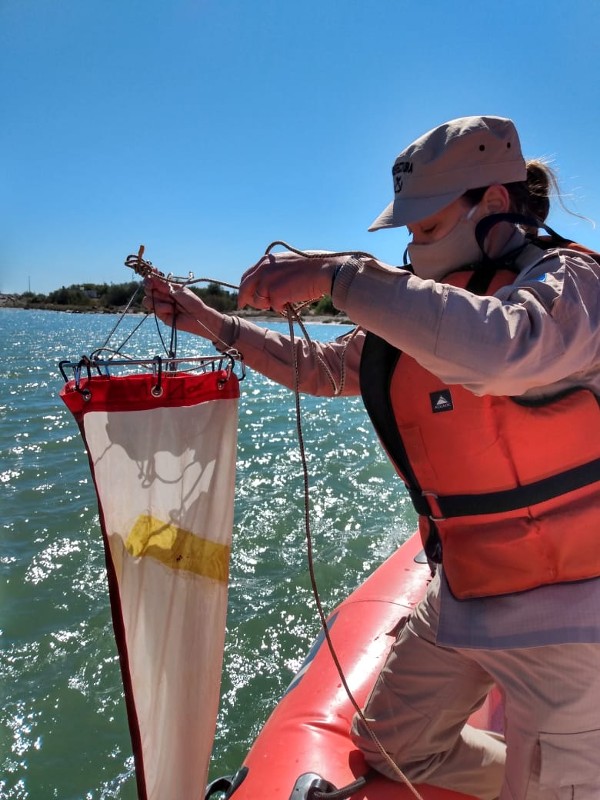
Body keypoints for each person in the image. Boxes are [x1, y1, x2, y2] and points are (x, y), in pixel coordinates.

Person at [143, 116, 600, 800]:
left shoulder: (572, 284)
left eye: (427, 227)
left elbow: (504, 349)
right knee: (394, 746)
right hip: (464, 592)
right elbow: (321, 367)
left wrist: (338, 274)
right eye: (407, 233)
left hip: (573, 613)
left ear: (494, 203)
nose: (413, 249)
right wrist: (207, 321)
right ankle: (525, 771)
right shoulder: (420, 311)